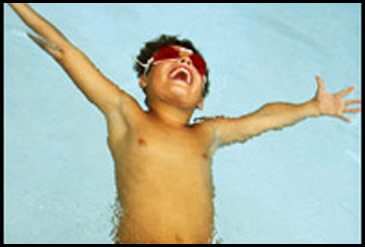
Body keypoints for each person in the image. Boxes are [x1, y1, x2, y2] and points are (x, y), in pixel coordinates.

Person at [8, 3, 361, 244]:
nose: (185, 61)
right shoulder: (126, 116)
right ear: (144, 80)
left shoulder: (208, 133)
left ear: (202, 100)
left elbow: (263, 119)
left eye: (197, 65)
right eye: (168, 56)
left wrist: (311, 108)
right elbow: (64, 50)